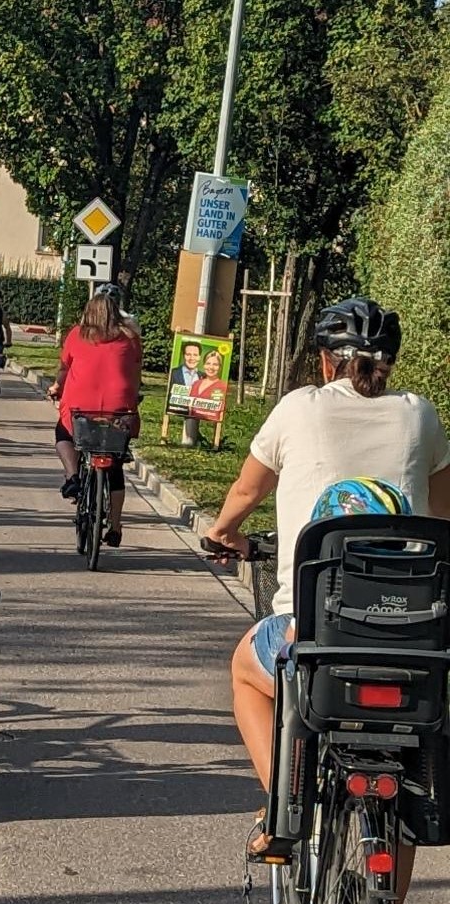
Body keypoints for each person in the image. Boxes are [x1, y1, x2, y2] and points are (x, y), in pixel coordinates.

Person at [204, 297, 450, 894]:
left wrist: (222, 533)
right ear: (389, 364)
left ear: (324, 360)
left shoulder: (298, 410)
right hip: (414, 640)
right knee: (411, 769)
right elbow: (441, 517)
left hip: (313, 635)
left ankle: (285, 802)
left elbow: (246, 488)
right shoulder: (421, 416)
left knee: (243, 671)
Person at [47, 287, 141, 547]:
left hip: (80, 406)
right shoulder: (130, 337)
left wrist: (56, 387)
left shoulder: (77, 335)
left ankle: (73, 476)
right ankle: (116, 524)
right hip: (118, 409)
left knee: (64, 433)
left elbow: (65, 368)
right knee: (115, 465)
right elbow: (135, 371)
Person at [189, 349, 228, 416]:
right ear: (204, 365)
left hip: (209, 423)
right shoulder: (196, 384)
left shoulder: (223, 386)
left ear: (220, 367)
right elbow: (190, 408)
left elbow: (221, 412)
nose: (211, 367)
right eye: (208, 363)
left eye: (215, 364)